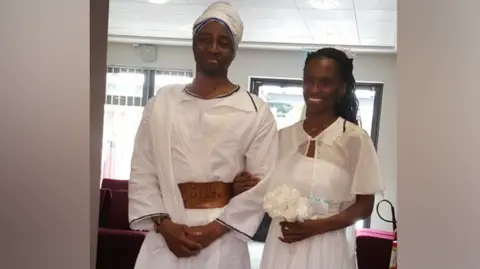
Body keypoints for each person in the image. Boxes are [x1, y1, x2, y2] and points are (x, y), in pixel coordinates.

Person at [127, 2, 278, 269]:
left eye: (223, 42)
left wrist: (213, 230)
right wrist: (165, 224)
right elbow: (143, 169)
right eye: (205, 39)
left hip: (223, 241)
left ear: (234, 50)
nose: (213, 48)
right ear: (193, 44)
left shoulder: (255, 110)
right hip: (165, 239)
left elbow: (261, 183)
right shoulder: (163, 103)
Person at [236, 47, 385, 269]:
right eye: (308, 81)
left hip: (328, 245)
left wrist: (317, 227)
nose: (314, 89)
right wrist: (243, 185)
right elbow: (262, 186)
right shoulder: (282, 137)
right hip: (282, 243)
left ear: (341, 88)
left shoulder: (354, 139)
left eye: (325, 82)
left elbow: (364, 206)